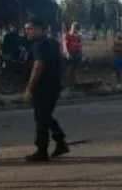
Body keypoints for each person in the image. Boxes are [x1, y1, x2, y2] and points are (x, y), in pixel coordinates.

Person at [23, 18, 69, 162]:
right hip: (53, 86)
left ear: (39, 29)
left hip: (42, 87)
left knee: (41, 119)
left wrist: (29, 88)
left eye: (30, 28)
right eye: (26, 29)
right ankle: (60, 141)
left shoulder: (40, 45)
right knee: (45, 116)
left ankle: (42, 150)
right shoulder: (52, 43)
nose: (27, 32)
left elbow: (38, 66)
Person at [62, 22, 83, 87]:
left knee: (75, 68)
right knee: (69, 68)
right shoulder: (67, 35)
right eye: (73, 27)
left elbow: (80, 45)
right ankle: (68, 83)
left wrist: (80, 53)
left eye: (76, 28)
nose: (74, 29)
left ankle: (74, 82)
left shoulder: (78, 37)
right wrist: (67, 53)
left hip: (76, 54)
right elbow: (65, 45)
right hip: (69, 54)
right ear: (71, 27)